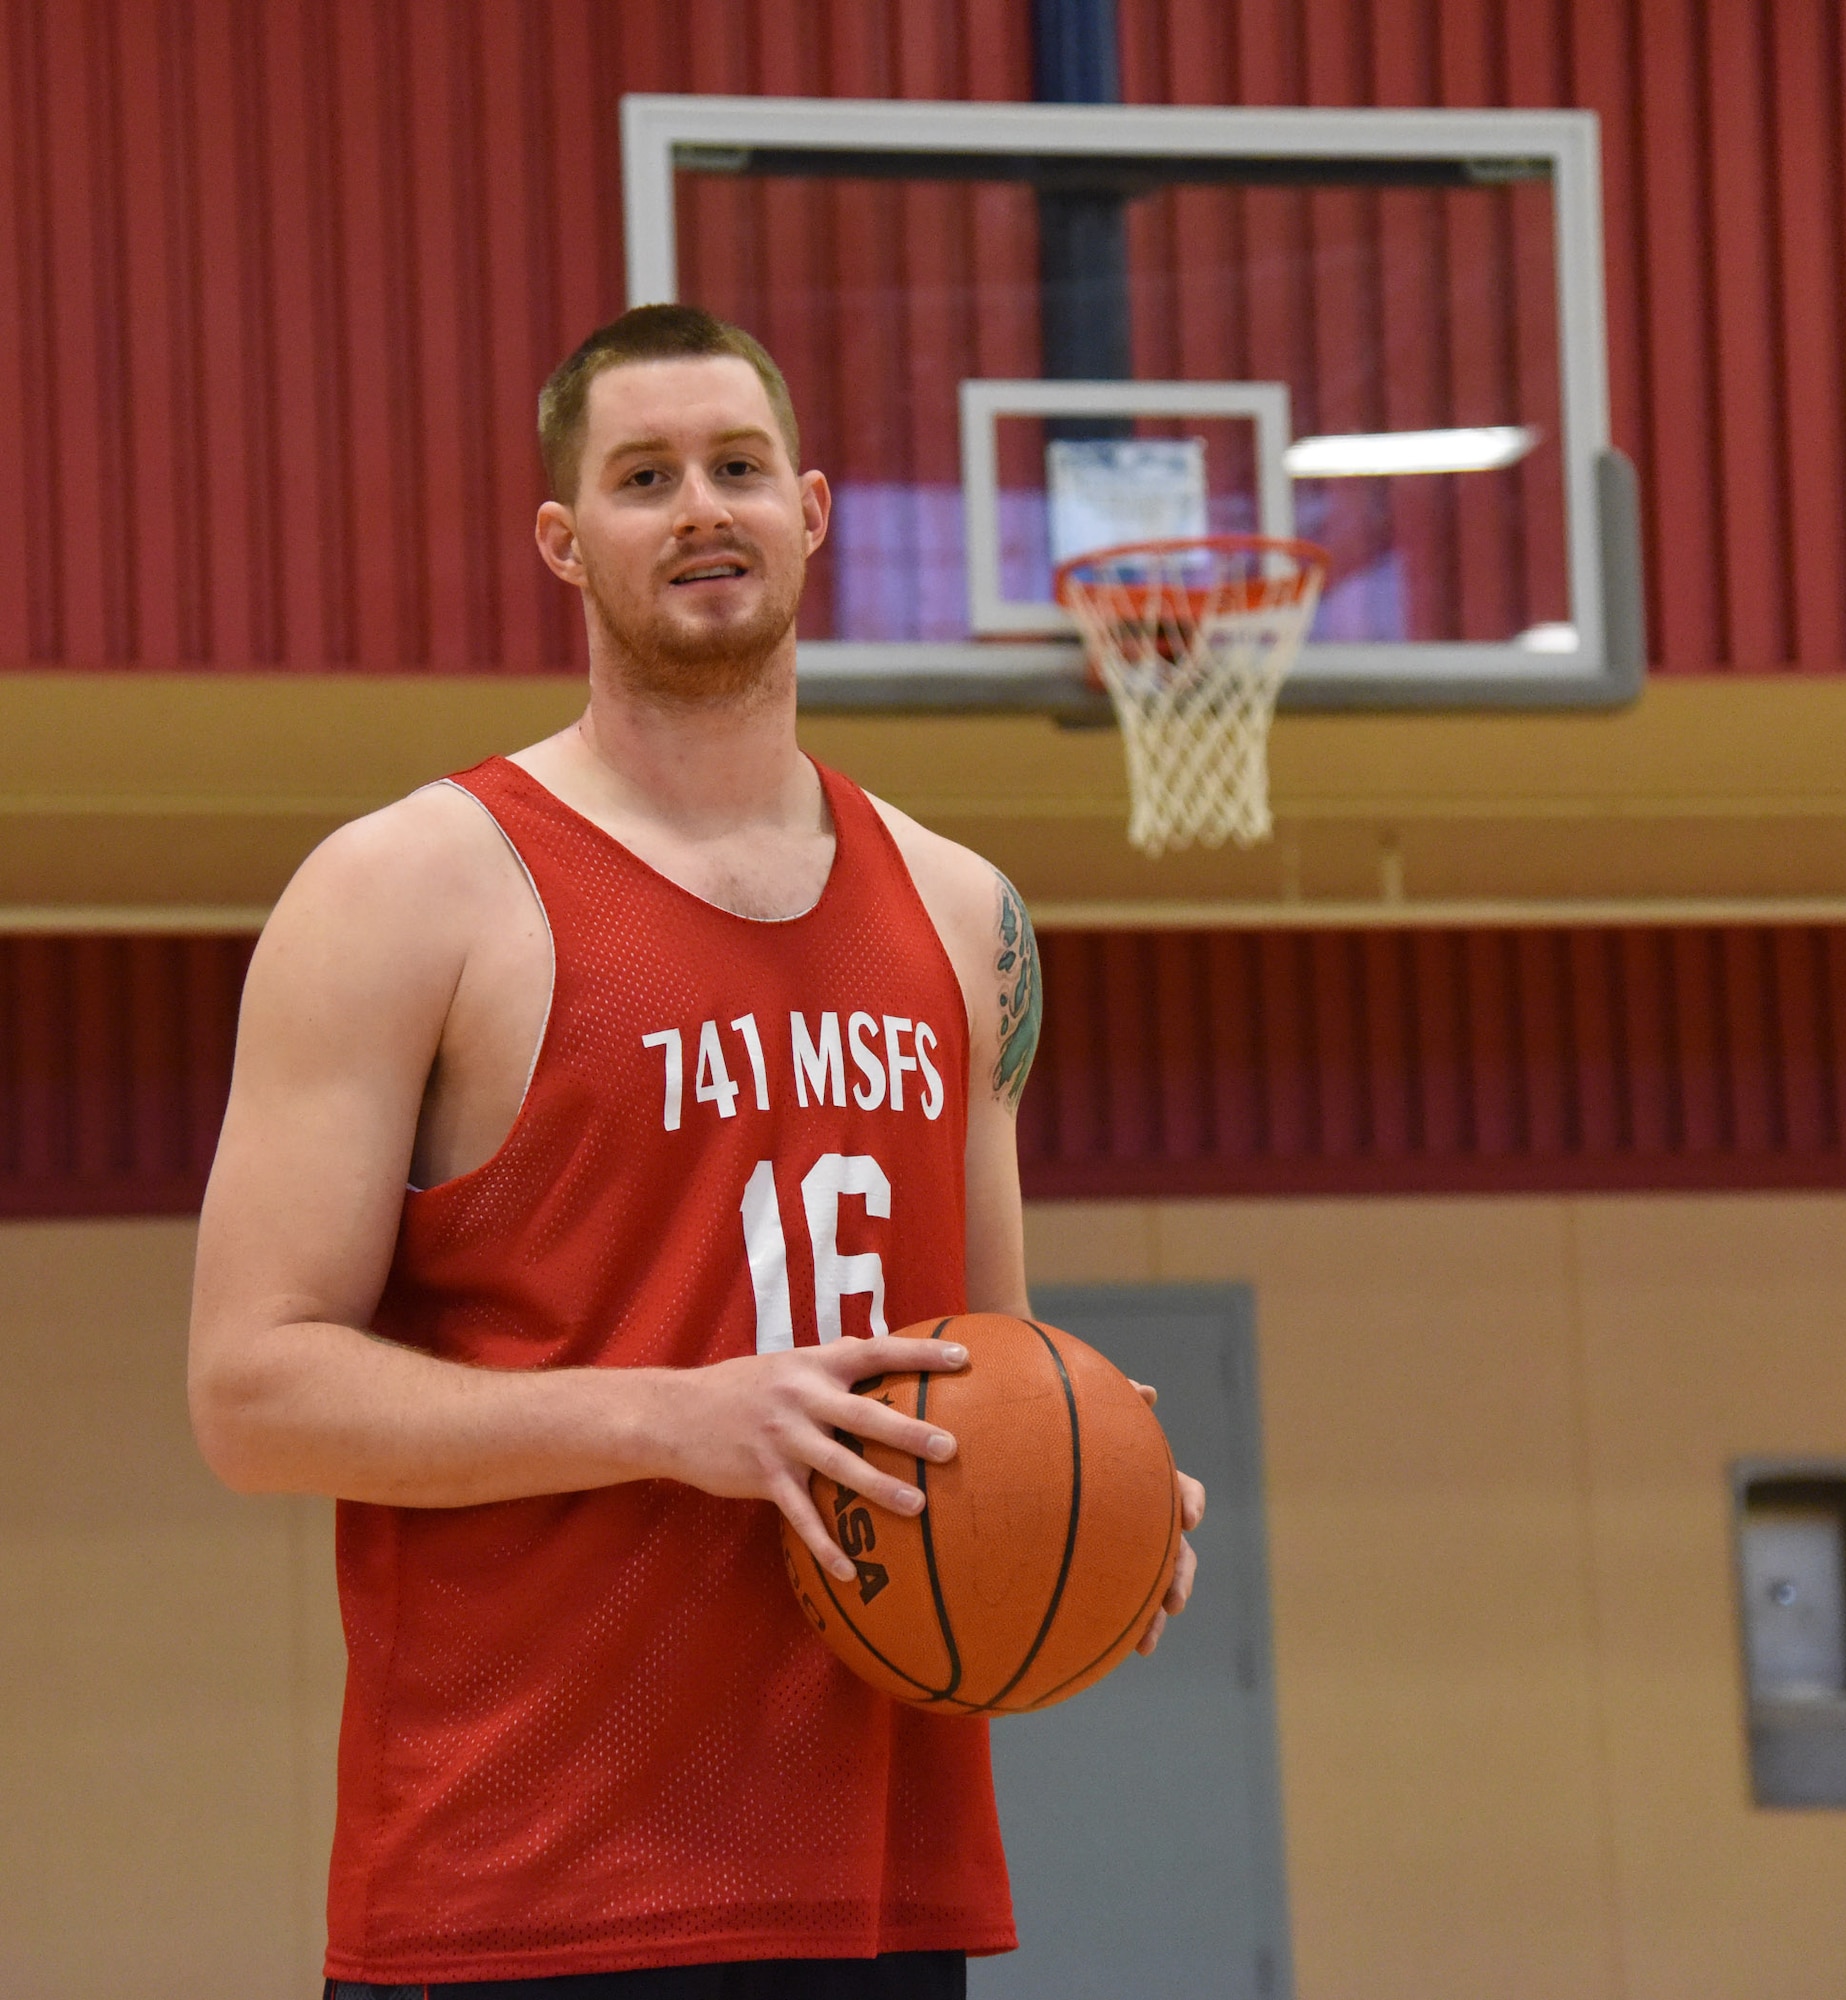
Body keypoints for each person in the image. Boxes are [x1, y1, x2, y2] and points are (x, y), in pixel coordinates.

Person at [188, 303, 1204, 1999]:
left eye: (738, 467)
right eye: (644, 476)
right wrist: (677, 1413)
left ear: (810, 511)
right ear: (563, 541)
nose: (700, 508)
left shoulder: (968, 913)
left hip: (880, 1879)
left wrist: (1086, 1488)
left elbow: (986, 1372)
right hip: (520, 1888)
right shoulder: (404, 890)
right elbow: (251, 1394)